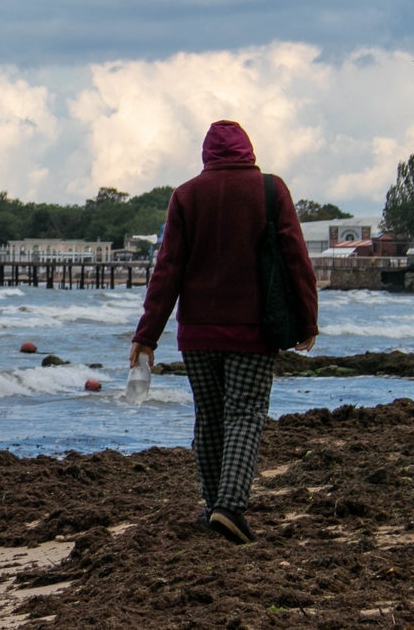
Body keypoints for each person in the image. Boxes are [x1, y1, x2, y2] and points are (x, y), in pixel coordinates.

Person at [128, 119, 319, 545]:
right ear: (248, 150)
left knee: (210, 418)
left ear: (207, 155)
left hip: (196, 334)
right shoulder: (271, 190)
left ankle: (213, 505)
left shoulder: (186, 196)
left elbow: (167, 271)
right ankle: (229, 507)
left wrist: (147, 335)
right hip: (254, 331)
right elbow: (296, 258)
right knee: (245, 415)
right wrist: (307, 319)